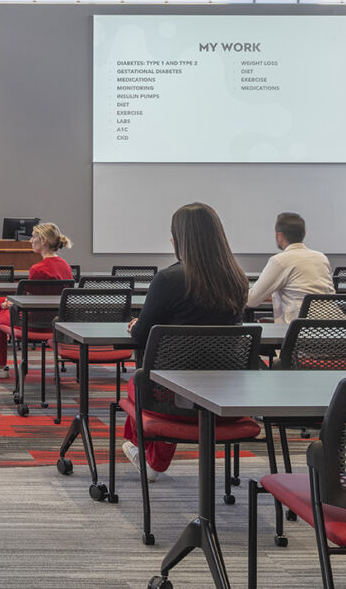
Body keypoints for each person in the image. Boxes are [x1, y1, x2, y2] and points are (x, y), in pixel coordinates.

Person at [122, 202, 249, 482]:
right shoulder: (237, 279)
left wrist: (137, 326)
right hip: (229, 399)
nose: (169, 238)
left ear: (180, 238)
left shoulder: (168, 279)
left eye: (172, 233)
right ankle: (153, 457)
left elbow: (141, 336)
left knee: (139, 382)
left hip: (171, 401)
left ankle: (150, 455)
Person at [0, 222, 72, 369]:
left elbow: (29, 301)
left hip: (31, 323)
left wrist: (13, 304)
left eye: (33, 237)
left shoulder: (38, 269)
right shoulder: (66, 266)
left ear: (44, 241)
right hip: (55, 322)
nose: (30, 241)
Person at [245, 211, 333, 325]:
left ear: (279, 235)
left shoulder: (280, 260)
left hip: (299, 331)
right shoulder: (321, 258)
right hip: (332, 329)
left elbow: (251, 300)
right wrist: (273, 295)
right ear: (304, 233)